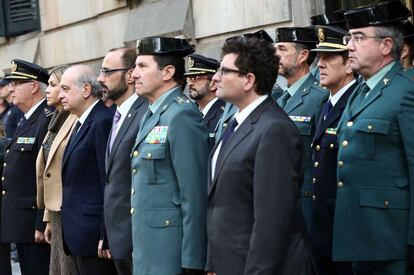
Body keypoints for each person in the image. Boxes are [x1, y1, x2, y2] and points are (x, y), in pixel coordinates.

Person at [206, 34, 313, 275]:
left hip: (259, 266)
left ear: (248, 80)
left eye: (224, 71)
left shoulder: (274, 129)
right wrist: (212, 263)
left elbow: (272, 220)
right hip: (230, 262)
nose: (215, 78)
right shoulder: (236, 123)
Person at [334, 1, 414, 274]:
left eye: (358, 38)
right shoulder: (360, 91)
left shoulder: (405, 92)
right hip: (360, 235)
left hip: (392, 239)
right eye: (349, 38)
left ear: (386, 46)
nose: (349, 46)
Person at [130, 37, 209, 275]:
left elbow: (194, 194)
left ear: (168, 72)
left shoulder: (182, 115)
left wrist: (193, 260)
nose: (133, 74)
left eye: (142, 66)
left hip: (171, 254)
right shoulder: (152, 113)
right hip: (149, 250)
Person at [59, 65, 116, 275]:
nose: (60, 94)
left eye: (66, 89)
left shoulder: (101, 121)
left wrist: (105, 233)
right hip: (80, 233)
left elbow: (107, 181)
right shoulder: (81, 122)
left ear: (85, 90)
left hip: (95, 237)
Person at [309, 25, 357, 275]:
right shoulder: (324, 104)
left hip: (346, 228)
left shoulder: (355, 103)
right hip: (323, 226)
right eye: (318, 57)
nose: (319, 64)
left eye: (328, 57)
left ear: (349, 65)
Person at [97, 47, 148, 275]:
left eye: (107, 72)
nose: (100, 78)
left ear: (129, 75)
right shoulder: (119, 114)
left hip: (139, 238)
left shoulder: (145, 113)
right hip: (119, 237)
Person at [1, 59, 53, 275]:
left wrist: (42, 221)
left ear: (33, 86)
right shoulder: (27, 119)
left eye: (16, 83)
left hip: (34, 224)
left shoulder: (46, 118)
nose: (10, 88)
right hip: (22, 223)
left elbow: (47, 174)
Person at [275, 26, 329, 232]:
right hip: (286, 204)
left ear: (303, 56)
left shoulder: (319, 96)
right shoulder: (280, 100)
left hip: (308, 205)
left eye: (282, 49)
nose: (276, 55)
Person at [36, 65, 78, 275]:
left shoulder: (73, 118)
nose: (48, 90)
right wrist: (47, 216)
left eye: (53, 85)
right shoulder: (55, 118)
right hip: (55, 211)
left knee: (68, 268)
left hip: (67, 209)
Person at [185, 53, 224, 139]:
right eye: (188, 79)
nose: (190, 83)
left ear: (213, 84)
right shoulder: (189, 111)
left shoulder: (223, 115)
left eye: (196, 78)